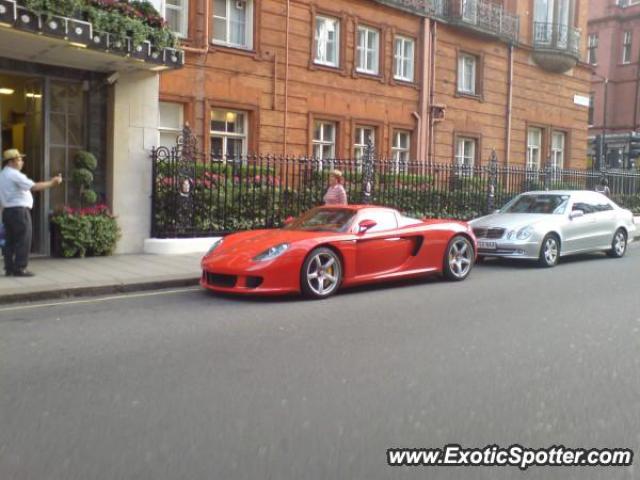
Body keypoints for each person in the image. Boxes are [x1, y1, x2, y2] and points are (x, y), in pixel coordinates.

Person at [0, 149, 63, 277]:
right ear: (11, 161)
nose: (22, 162)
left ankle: (9, 268)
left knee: (10, 241)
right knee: (24, 239)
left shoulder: (3, 175)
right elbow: (34, 186)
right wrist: (53, 182)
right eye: (19, 159)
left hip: (8, 211)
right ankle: (20, 268)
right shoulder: (15, 174)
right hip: (19, 212)